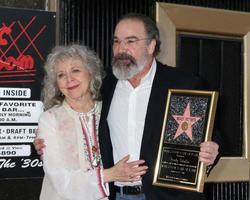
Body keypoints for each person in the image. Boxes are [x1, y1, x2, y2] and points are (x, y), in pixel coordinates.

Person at [35, 14, 220, 200]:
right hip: (116, 195)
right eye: (116, 41)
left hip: (169, 196)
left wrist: (212, 151)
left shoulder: (183, 83)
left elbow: (210, 135)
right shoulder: (104, 84)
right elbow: (76, 124)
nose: (121, 48)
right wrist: (41, 145)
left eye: (130, 41)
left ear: (151, 45)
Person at [37, 44, 148, 200]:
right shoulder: (50, 119)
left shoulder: (110, 110)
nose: (69, 79)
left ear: (90, 73)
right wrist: (109, 175)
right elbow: (59, 178)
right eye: (61, 75)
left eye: (75, 70)